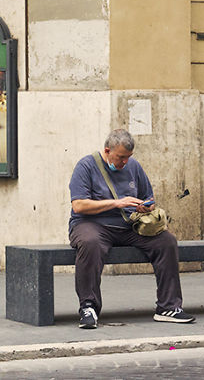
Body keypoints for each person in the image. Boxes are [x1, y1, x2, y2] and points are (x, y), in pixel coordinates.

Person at [68, 128, 195, 329]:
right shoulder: (86, 166)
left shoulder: (133, 166)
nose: (125, 161)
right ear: (107, 150)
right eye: (121, 157)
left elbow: (148, 198)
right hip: (92, 224)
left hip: (128, 225)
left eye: (128, 157)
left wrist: (146, 206)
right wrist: (116, 203)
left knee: (166, 241)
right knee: (90, 242)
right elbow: (79, 205)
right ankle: (88, 307)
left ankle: (168, 307)